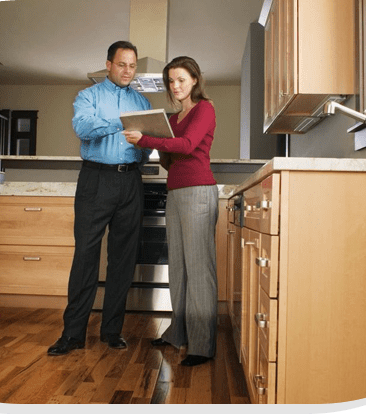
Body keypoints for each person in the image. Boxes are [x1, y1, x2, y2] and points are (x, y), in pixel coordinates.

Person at [48, 41, 152, 356]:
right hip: (96, 179)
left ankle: (111, 331)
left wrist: (141, 150)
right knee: (86, 257)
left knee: (123, 259)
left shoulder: (142, 101)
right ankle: (73, 334)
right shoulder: (88, 96)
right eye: (122, 64)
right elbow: (83, 127)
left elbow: (146, 145)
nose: (127, 71)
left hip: (131, 180)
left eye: (132, 66)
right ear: (108, 64)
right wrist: (121, 121)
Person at [123, 56, 218, 366]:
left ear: (194, 80)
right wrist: (156, 144)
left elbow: (189, 146)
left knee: (199, 268)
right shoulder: (174, 119)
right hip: (176, 193)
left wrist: (147, 139)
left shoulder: (205, 108)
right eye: (170, 82)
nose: (175, 86)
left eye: (180, 79)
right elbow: (169, 160)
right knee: (178, 267)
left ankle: (202, 345)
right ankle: (178, 333)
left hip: (198, 192)